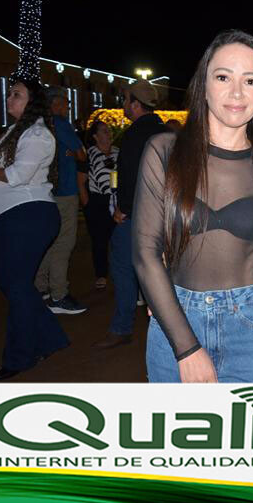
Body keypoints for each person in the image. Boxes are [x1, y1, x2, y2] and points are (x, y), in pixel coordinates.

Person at [132, 30, 253, 383]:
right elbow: (145, 251)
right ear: (204, 84)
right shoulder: (164, 151)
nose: (236, 92)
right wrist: (186, 348)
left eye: (250, 81)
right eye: (223, 77)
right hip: (175, 319)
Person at [0, 79, 69, 380]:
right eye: (9, 93)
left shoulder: (38, 133)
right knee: (13, 284)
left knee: (16, 285)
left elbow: (17, 175)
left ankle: (20, 356)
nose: (9, 98)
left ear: (32, 102)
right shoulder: (13, 131)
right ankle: (51, 337)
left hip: (30, 214)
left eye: (17, 94)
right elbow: (1, 172)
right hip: (11, 214)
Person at [93, 80, 169, 348]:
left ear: (136, 105)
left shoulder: (135, 134)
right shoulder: (166, 131)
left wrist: (123, 209)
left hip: (139, 214)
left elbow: (132, 176)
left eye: (126, 100)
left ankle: (122, 327)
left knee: (124, 265)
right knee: (159, 269)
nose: (123, 105)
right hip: (165, 214)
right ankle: (167, 327)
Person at [34, 86, 87, 314]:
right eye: (66, 102)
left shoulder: (39, 125)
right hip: (65, 191)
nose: (68, 106)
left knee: (49, 240)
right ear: (55, 103)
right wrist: (74, 153)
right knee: (64, 243)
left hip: (45, 191)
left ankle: (39, 286)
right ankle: (58, 294)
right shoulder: (60, 124)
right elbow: (82, 154)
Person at [77, 120, 118, 288]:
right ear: (95, 136)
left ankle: (118, 272)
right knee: (99, 240)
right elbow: (80, 181)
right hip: (97, 201)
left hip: (116, 200)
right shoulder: (89, 154)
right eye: (104, 131)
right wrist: (87, 204)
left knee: (118, 239)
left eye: (108, 130)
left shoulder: (118, 152)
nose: (108, 133)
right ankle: (101, 274)